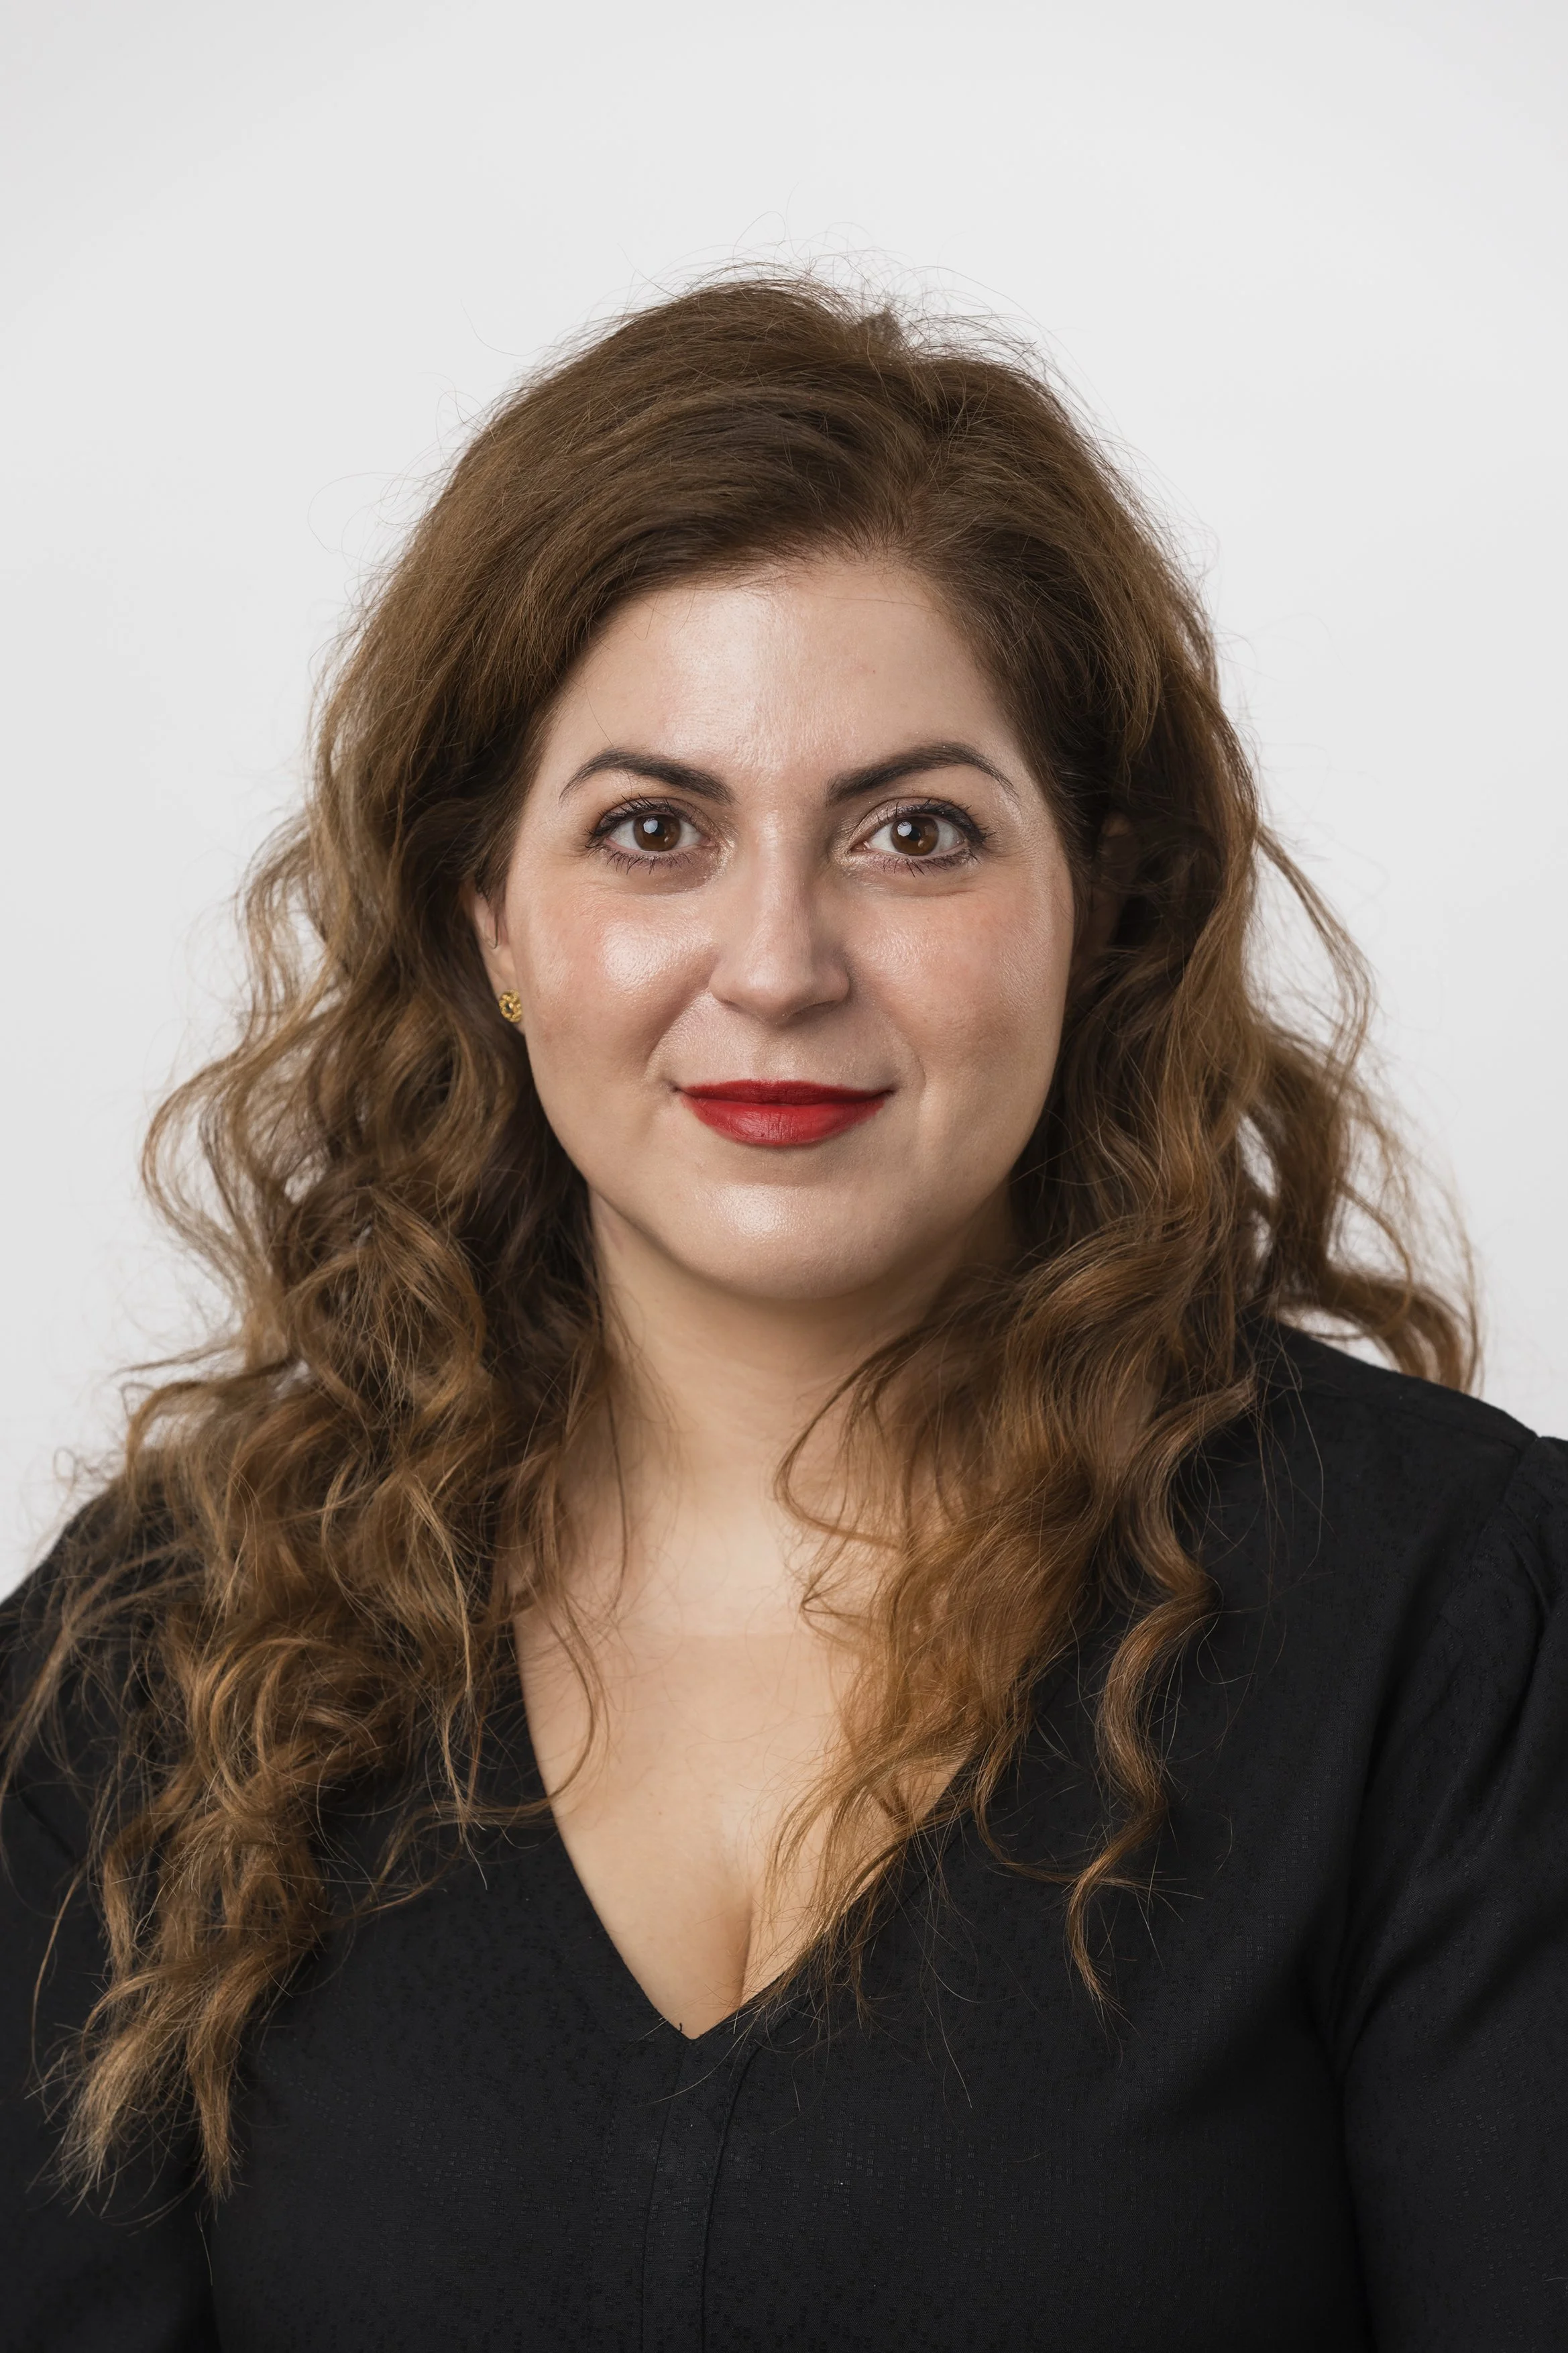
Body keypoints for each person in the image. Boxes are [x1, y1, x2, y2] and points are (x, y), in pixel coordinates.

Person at [3, 275, 1564, 2353]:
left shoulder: (1460, 1614)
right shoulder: (151, 1660)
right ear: (490, 915)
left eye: (915, 834)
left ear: (1097, 905)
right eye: (654, 829)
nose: (777, 961)